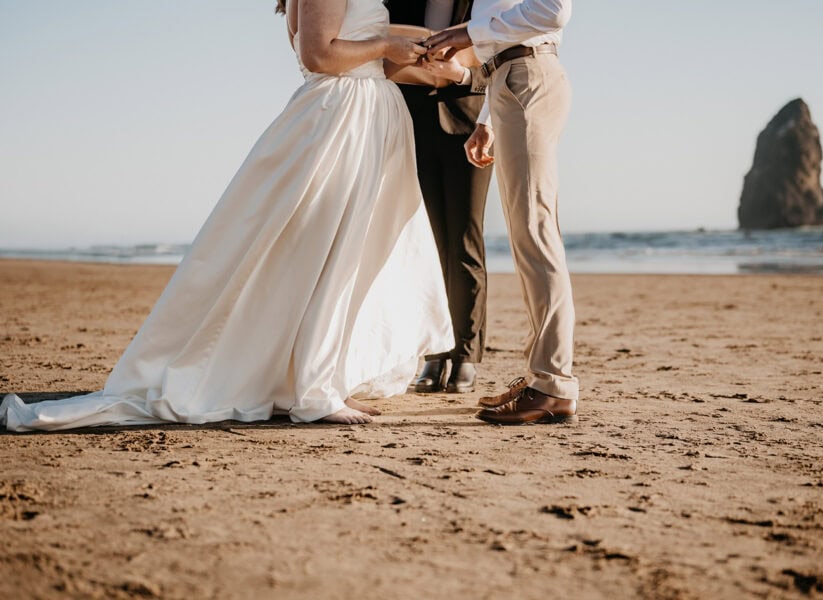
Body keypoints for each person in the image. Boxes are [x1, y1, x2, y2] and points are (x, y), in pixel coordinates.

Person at [1, 0, 454, 432]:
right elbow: (319, 54)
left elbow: (363, 59)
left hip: (365, 114)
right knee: (325, 256)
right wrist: (386, 44)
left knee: (343, 257)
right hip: (343, 122)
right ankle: (315, 390)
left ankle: (320, 380)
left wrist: (434, 70)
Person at [426, 0, 579, 424]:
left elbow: (554, 10)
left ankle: (553, 384)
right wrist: (489, 120)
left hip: (527, 74)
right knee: (527, 232)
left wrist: (466, 33)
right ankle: (543, 378)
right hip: (511, 78)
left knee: (535, 230)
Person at [386, 0, 493, 394]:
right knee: (427, 245)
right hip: (409, 125)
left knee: (465, 240)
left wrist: (460, 74)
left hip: (470, 126)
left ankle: (466, 354)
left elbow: (500, 66)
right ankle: (434, 353)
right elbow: (379, 53)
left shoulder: (481, 4)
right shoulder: (396, 1)